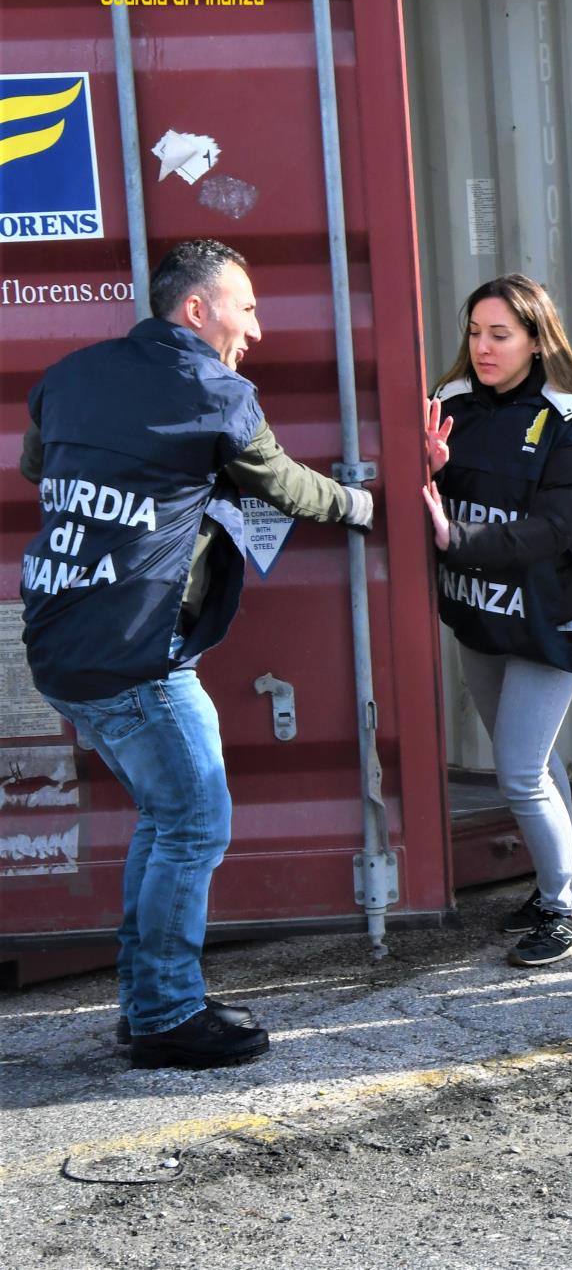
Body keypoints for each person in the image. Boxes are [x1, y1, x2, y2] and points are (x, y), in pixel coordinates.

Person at [20, 239, 375, 1069]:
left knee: (168, 818)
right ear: (195, 310)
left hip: (60, 642)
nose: (256, 328)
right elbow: (284, 484)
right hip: (133, 656)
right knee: (195, 820)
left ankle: (150, 1001)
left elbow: (44, 466)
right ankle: (169, 1014)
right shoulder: (217, 393)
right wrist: (360, 502)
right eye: (245, 308)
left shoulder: (68, 375)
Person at [421, 274, 572, 968]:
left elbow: (553, 530)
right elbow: (420, 501)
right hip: (479, 618)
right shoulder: (446, 405)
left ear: (537, 341)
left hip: (545, 621)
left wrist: (458, 540)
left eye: (500, 334)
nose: (482, 346)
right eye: (474, 332)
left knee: (517, 771)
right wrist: (430, 469)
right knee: (533, 763)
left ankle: (567, 912)